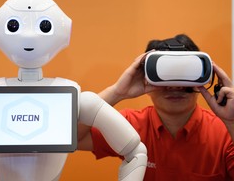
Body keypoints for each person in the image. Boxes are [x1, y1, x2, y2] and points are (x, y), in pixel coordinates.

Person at [78, 34, 234, 180]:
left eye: (185, 74)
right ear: (146, 79)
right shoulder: (129, 125)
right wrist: (118, 92)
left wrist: (232, 123)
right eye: (166, 75)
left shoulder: (225, 131)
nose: (175, 86)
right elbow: (69, 137)